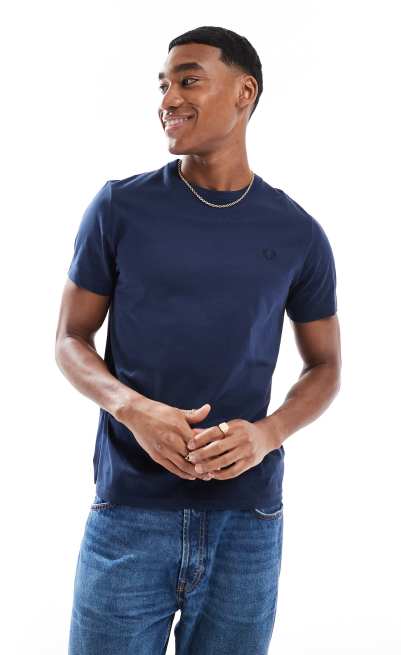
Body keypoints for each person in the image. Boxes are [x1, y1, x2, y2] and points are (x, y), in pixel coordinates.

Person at [56, 25, 341, 655]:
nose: (169, 99)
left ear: (244, 92)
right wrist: (133, 409)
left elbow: (324, 366)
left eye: (189, 80)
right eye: (163, 85)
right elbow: (71, 338)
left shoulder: (297, 232)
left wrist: (268, 433)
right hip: (130, 511)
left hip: (247, 522)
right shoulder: (119, 207)